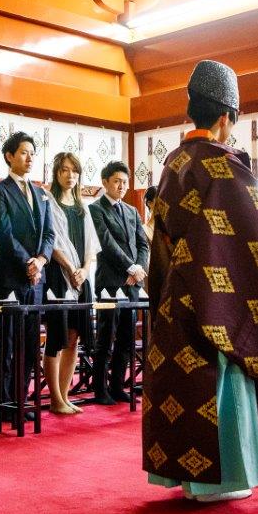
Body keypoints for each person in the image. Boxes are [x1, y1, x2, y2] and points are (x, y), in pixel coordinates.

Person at [144, 60, 258, 503]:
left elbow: (162, 235)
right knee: (220, 377)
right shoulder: (227, 166)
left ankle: (187, 481)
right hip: (218, 304)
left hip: (176, 298)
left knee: (182, 384)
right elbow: (255, 248)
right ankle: (220, 481)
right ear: (226, 116)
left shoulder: (173, 162)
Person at [0, 131, 55, 423]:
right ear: (9, 157)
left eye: (32, 153)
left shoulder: (41, 192)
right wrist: (27, 261)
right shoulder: (0, 191)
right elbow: (3, 233)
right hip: (10, 276)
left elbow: (50, 233)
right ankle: (3, 403)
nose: (29, 158)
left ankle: (22, 398)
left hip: (36, 277)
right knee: (7, 344)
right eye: (23, 153)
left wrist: (40, 260)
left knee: (30, 344)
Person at [89, 159, 149, 405]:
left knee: (126, 337)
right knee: (106, 335)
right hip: (109, 282)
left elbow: (143, 244)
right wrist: (129, 266)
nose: (122, 186)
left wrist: (138, 269)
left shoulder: (132, 211)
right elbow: (106, 243)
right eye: (117, 181)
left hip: (132, 282)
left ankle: (117, 386)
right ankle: (99, 388)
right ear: (105, 182)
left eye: (125, 182)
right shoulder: (95, 209)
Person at [44, 151, 98, 415]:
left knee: (74, 338)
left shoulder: (82, 208)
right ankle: (54, 398)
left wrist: (85, 270)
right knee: (56, 338)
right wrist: (70, 268)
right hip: (58, 275)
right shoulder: (48, 202)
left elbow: (91, 246)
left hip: (81, 278)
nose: (70, 175)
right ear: (57, 173)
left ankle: (65, 396)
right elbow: (50, 243)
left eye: (74, 171)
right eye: (64, 170)